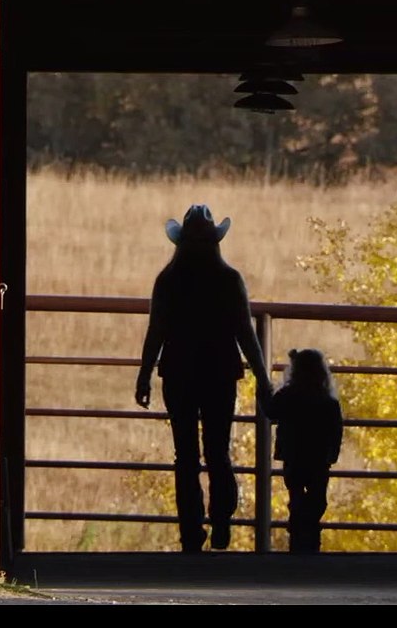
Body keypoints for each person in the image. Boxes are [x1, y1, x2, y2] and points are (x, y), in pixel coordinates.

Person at [135, 204, 273, 553]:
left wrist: (144, 374)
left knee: (186, 456)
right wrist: (262, 378)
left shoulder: (168, 281)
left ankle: (191, 533)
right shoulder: (228, 280)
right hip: (220, 374)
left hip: (179, 374)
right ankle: (221, 519)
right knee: (218, 452)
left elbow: (157, 331)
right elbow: (246, 333)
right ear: (216, 241)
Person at [266, 347, 345, 553]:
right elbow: (336, 431)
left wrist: (264, 390)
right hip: (319, 459)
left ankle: (297, 535)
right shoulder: (329, 402)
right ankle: (310, 537)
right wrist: (332, 454)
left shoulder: (288, 396)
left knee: (296, 495)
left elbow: (271, 410)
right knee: (317, 500)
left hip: (293, 456)